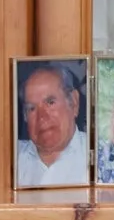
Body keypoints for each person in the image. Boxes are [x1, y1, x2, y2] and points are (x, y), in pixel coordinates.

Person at [16, 60, 90, 189]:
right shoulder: (10, 158)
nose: (42, 117)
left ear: (74, 102)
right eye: (32, 108)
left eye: (50, 102)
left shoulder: (101, 158)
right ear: (24, 116)